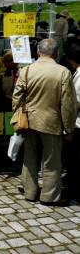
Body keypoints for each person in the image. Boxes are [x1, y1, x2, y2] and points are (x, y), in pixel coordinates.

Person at [12, 38, 76, 206]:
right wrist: (69, 128)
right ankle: (49, 196)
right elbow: (67, 105)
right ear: (56, 53)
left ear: (38, 52)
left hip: (29, 121)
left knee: (29, 157)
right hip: (52, 122)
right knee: (52, 161)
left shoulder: (26, 70)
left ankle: (30, 191)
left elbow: (16, 98)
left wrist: (16, 117)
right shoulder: (63, 72)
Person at [65, 44, 80, 199]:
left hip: (78, 123)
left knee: (75, 159)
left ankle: (74, 189)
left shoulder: (79, 76)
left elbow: (76, 102)